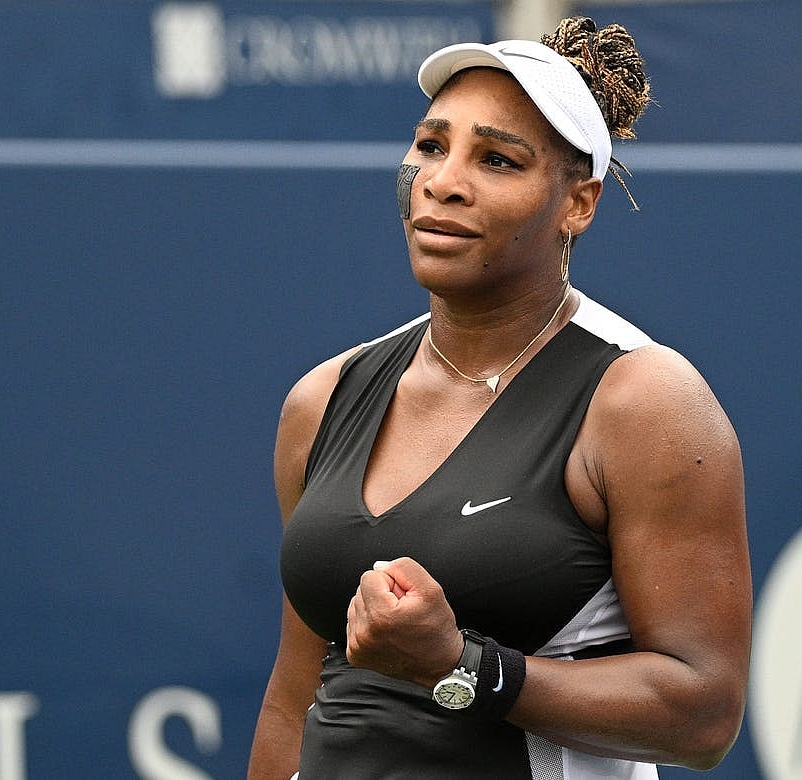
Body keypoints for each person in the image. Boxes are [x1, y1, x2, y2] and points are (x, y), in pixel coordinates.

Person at [248, 16, 751, 780]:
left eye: (497, 159)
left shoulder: (643, 401)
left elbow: (704, 714)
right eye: (429, 145)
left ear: (577, 205)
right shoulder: (322, 400)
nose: (443, 180)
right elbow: (294, 699)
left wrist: (463, 668)